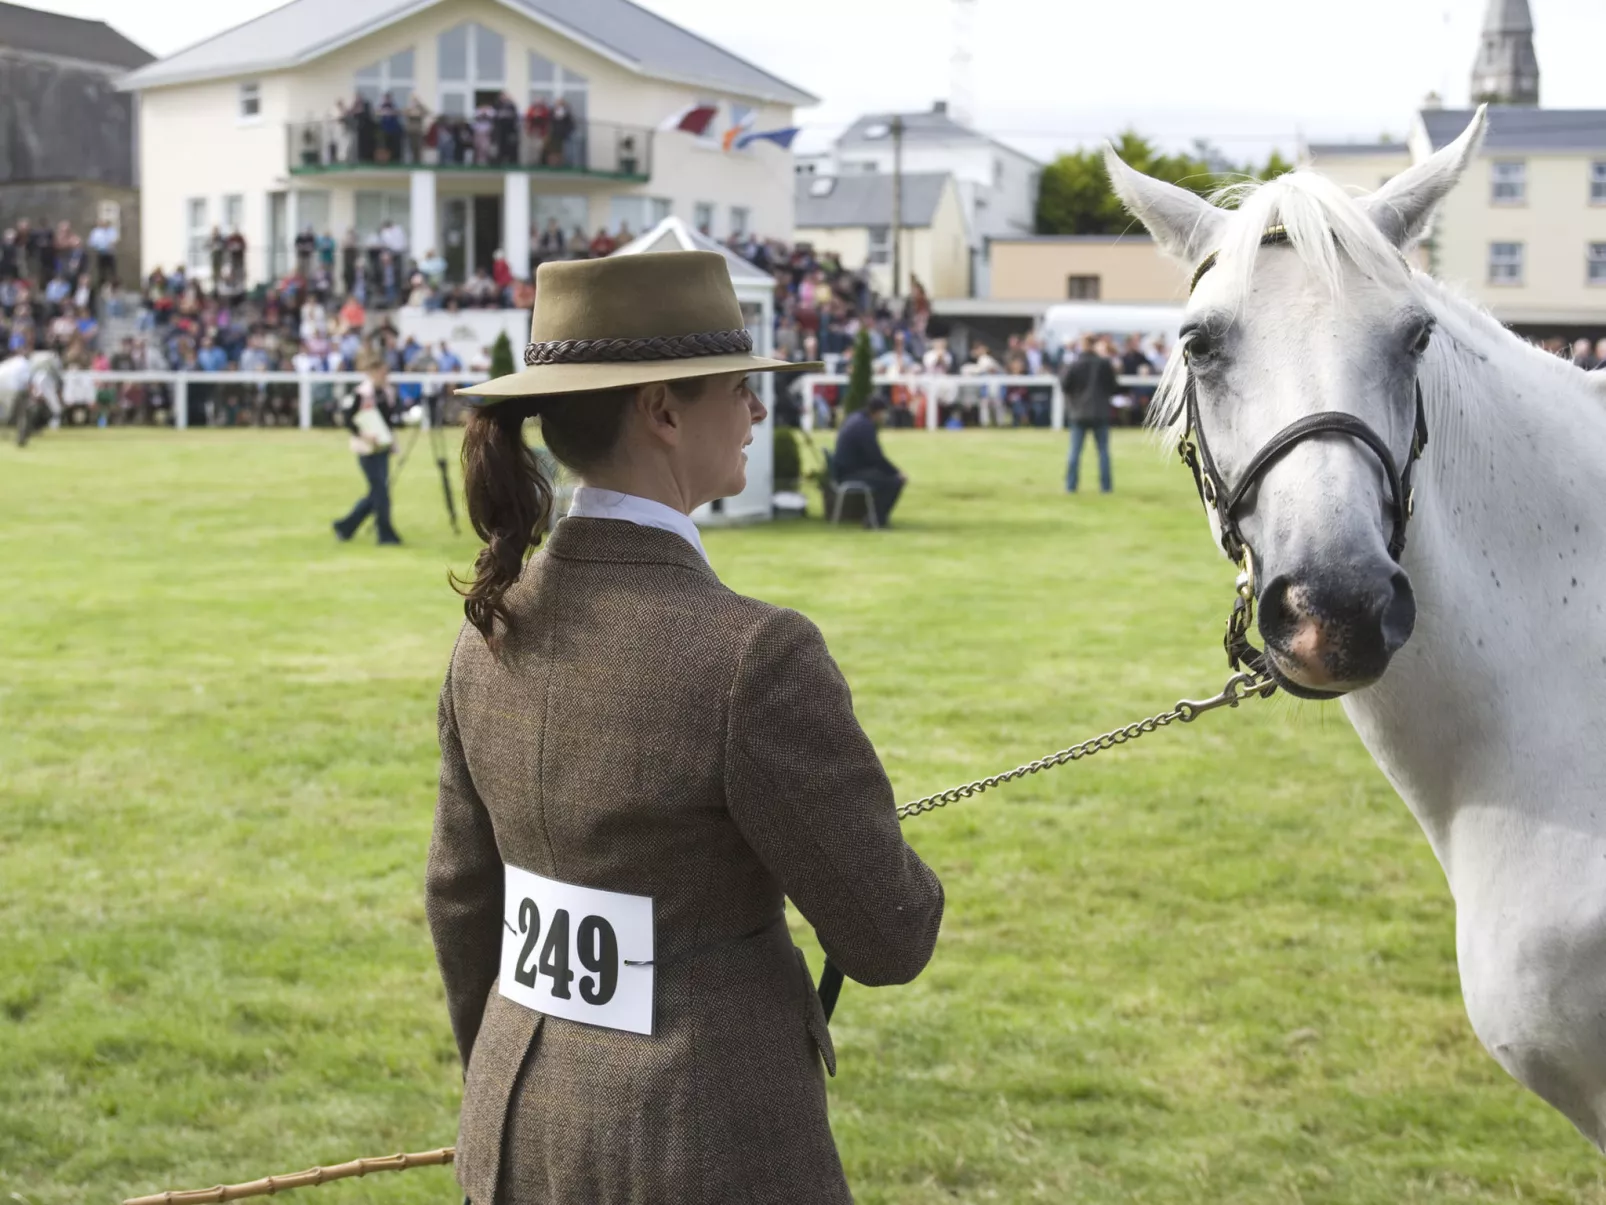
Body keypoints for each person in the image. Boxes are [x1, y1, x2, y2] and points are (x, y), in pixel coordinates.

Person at [428, 251, 939, 1205]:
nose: (757, 411)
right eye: (742, 388)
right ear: (663, 410)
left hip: (511, 1137)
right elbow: (887, 933)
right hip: (706, 1154)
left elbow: (462, 904)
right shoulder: (756, 655)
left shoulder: (488, 630)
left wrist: (501, 1084)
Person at [332, 354, 403, 544]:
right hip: (366, 449)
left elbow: (391, 419)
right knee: (381, 494)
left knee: (377, 494)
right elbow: (348, 420)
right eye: (382, 373)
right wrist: (364, 434)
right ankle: (385, 535)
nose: (385, 376)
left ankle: (345, 527)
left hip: (383, 448)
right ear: (372, 373)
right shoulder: (361, 393)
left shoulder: (387, 393)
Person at [832, 396, 906, 525]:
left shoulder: (856, 418)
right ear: (878, 412)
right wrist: (896, 472)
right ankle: (875, 520)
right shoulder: (864, 426)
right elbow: (876, 457)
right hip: (850, 472)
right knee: (894, 482)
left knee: (884, 478)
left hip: (845, 468)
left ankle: (874, 517)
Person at [1062, 334, 1117, 492]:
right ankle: (1106, 487)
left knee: (1074, 452)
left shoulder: (1074, 364)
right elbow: (1113, 386)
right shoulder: (1104, 364)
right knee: (1103, 452)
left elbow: (1065, 385)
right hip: (1100, 412)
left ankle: (1071, 486)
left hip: (1078, 413)